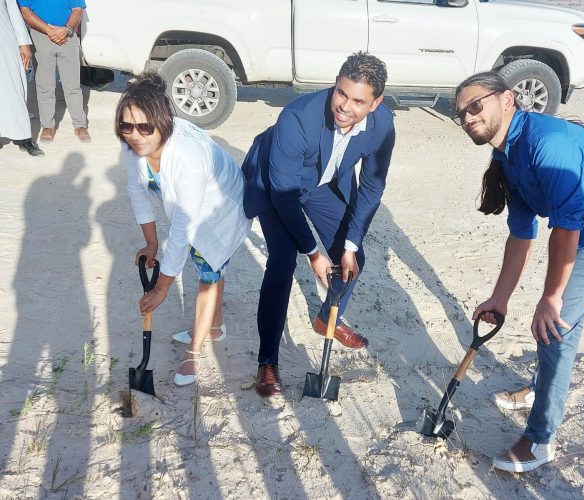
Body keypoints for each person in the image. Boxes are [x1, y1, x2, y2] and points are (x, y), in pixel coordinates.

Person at [453, 72, 584, 472]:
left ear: (507, 99)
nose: (467, 116)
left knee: (554, 323)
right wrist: (500, 298)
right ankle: (543, 387)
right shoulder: (507, 154)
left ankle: (540, 439)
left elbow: (566, 226)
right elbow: (521, 233)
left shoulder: (547, 143)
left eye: (476, 104)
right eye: (460, 112)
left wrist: (551, 297)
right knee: (561, 322)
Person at [242, 52, 395, 397]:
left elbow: (372, 185)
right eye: (341, 93)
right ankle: (267, 362)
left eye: (358, 101)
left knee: (353, 257)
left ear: (376, 103)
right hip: (276, 183)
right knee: (282, 261)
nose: (344, 106)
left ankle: (327, 318)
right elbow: (284, 194)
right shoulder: (297, 117)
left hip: (322, 184)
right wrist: (312, 252)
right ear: (335, 85)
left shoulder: (383, 124)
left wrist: (351, 245)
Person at [116, 73, 250, 387]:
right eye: (126, 126)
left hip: (221, 210)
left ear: (163, 122)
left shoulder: (188, 158)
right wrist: (150, 243)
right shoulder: (132, 147)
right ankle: (215, 328)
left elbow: (181, 229)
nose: (135, 135)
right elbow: (137, 190)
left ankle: (193, 351)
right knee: (212, 271)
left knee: (208, 273)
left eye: (144, 127)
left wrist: (161, 288)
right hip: (193, 208)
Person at [18, 0, 90, 143]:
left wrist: (67, 29)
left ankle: (80, 124)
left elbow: (78, 9)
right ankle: (47, 126)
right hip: (40, 36)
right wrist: (49, 30)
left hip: (68, 36)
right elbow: (25, 11)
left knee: (72, 85)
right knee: (45, 85)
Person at [0, 0, 43, 156]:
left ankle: (24, 138)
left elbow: (12, 7)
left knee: (13, 88)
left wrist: (23, 42)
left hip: (4, 41)